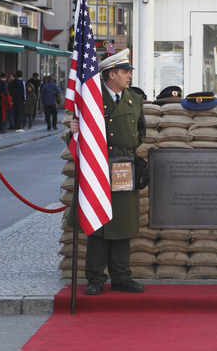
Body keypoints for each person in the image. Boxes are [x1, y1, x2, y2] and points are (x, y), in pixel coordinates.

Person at [69, 49, 147, 296]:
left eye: (129, 72)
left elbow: (140, 132)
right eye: (125, 72)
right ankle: (95, 278)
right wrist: (74, 132)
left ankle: (121, 277)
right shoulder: (91, 99)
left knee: (123, 223)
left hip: (124, 165)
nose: (129, 77)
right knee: (98, 223)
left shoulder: (134, 99)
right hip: (98, 166)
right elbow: (77, 133)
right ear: (111, 74)